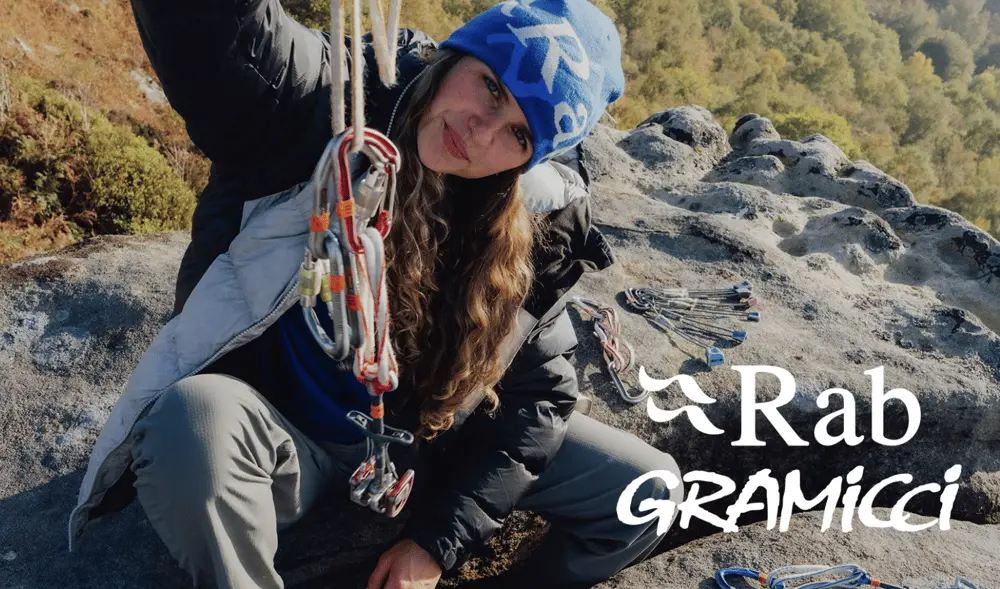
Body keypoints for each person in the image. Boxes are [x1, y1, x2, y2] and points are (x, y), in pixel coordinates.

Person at [67, 0, 686, 587]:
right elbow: (218, 34)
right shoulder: (321, 107)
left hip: (425, 442)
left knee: (650, 490)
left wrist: (438, 542)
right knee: (191, 423)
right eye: (491, 87)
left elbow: (540, 399)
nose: (480, 132)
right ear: (455, 56)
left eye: (519, 135)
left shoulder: (529, 228)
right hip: (280, 432)